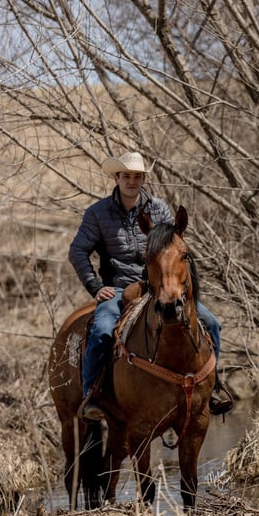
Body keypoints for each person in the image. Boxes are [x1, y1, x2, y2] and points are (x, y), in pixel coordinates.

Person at [69, 151, 233, 421]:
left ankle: (213, 385)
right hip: (118, 288)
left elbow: (170, 251)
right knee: (100, 331)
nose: (131, 181)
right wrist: (95, 286)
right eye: (126, 176)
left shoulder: (159, 209)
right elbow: (77, 252)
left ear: (143, 178)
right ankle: (92, 396)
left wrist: (169, 286)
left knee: (211, 323)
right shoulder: (97, 214)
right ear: (116, 178)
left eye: (137, 176)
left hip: (156, 287)